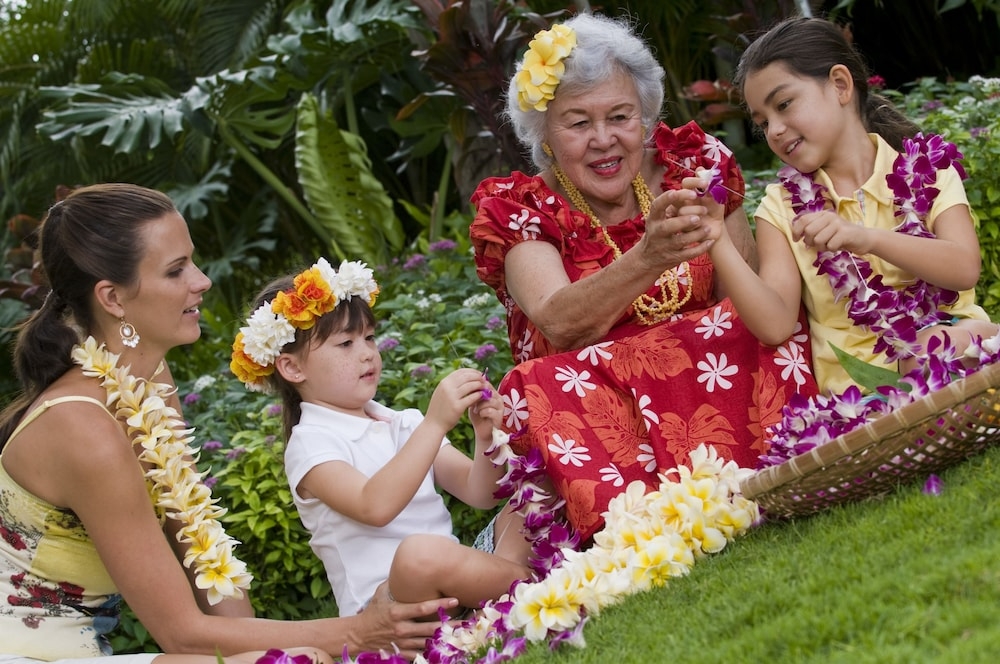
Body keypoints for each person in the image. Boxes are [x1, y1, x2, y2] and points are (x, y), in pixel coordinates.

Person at [0, 184, 458, 663]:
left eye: (191, 261)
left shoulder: (149, 379)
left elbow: (202, 548)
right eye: (176, 270)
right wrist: (358, 631)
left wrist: (294, 649)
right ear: (113, 298)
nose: (202, 281)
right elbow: (183, 637)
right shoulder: (81, 424)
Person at [469, 12, 819, 543]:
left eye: (620, 117)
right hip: (597, 410)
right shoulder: (520, 208)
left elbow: (742, 294)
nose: (604, 140)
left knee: (760, 323)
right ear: (544, 133)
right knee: (538, 384)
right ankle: (633, 524)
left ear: (646, 117)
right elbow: (560, 323)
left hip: (711, 382)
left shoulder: (694, 165)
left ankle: (791, 461)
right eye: (578, 123)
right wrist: (648, 256)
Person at [708, 16, 997, 395]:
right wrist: (715, 238)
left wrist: (865, 239)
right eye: (763, 123)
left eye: (784, 104)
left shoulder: (929, 169)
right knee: (921, 355)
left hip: (952, 341)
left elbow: (962, 269)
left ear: (841, 85)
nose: (774, 130)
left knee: (943, 344)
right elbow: (776, 325)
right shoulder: (780, 209)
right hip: (858, 394)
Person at [229, 261, 532, 618]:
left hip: (453, 581)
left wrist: (486, 439)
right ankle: (544, 588)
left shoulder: (402, 423)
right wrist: (435, 425)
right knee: (418, 555)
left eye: (369, 337)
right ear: (293, 368)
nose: (367, 352)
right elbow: (374, 507)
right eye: (345, 343)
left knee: (533, 492)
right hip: (392, 606)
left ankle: (503, 598)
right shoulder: (310, 444)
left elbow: (478, 493)